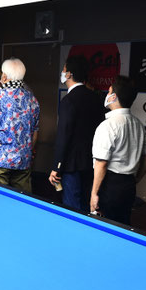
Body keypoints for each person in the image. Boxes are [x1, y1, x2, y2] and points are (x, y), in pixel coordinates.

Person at [90, 76, 146, 225]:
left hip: (110, 186)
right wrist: (137, 178)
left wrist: (94, 193)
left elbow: (101, 163)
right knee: (124, 224)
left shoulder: (108, 126)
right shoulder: (137, 124)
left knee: (105, 227)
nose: (107, 95)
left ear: (113, 96)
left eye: (109, 92)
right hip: (129, 185)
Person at [0, 58, 40, 193]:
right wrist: (28, 151)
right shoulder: (32, 99)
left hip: (0, 159)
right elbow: (35, 132)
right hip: (23, 160)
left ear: (4, 76)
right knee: (22, 199)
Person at [48, 56, 104, 212]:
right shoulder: (96, 98)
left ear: (69, 74)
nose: (62, 73)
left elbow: (63, 136)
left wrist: (56, 167)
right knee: (86, 204)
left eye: (64, 70)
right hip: (91, 161)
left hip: (71, 164)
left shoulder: (68, 101)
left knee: (71, 206)